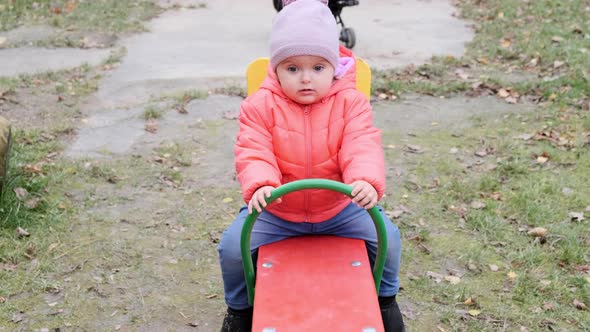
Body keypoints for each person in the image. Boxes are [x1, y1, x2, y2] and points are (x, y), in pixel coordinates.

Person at [217, 0, 404, 331]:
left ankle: (385, 300)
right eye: (292, 68)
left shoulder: (350, 103)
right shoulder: (260, 105)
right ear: (275, 69)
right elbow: (253, 148)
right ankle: (240, 310)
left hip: (339, 208)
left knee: (388, 238)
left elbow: (362, 143)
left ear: (334, 67)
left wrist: (364, 180)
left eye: (318, 68)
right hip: (277, 210)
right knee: (232, 248)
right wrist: (261, 185)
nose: (306, 79)